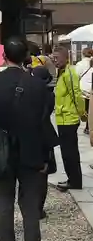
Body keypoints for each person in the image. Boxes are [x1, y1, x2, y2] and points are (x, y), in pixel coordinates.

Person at [0, 37, 50, 241]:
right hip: (31, 148)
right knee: (30, 207)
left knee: (3, 203)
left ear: (4, 56)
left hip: (0, 148)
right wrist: (46, 156)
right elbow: (43, 123)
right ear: (26, 57)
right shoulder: (37, 84)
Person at [53, 45, 85, 192]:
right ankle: (72, 178)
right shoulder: (61, 72)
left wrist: (81, 113)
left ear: (66, 57)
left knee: (70, 152)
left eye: (57, 58)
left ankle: (75, 181)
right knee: (66, 152)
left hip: (69, 118)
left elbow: (76, 94)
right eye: (53, 58)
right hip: (62, 117)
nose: (55, 61)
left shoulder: (69, 74)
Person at [32, 66, 59, 219]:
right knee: (43, 174)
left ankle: (31, 206)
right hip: (45, 134)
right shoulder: (49, 95)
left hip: (33, 133)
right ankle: (39, 208)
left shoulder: (28, 93)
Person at [75, 48, 93, 134]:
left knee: (86, 108)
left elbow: (76, 75)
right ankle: (88, 126)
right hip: (91, 88)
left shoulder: (80, 64)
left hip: (84, 89)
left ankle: (87, 126)